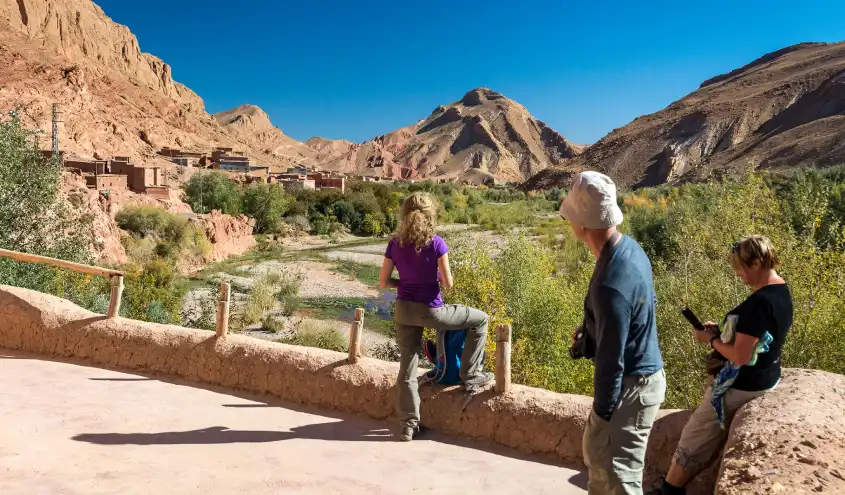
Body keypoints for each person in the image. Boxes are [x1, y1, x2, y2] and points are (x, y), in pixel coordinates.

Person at [648, 235, 793, 495]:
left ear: (757, 262)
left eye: (741, 267)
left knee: (694, 434)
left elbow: (741, 357)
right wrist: (725, 333)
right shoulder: (781, 291)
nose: (738, 274)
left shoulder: (759, 303)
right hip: (767, 376)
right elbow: (759, 340)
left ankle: (669, 490)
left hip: (743, 384)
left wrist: (712, 340)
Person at [561, 171, 666, 495]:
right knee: (607, 476)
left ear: (582, 224)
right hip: (641, 379)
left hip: (632, 387)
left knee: (619, 480)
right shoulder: (630, 249)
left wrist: (601, 415)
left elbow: (611, 362)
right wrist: (595, 328)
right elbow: (642, 306)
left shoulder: (610, 283)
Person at [379, 192, 493, 442]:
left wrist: (405, 283)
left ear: (404, 214)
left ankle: (408, 426)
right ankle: (471, 375)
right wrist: (433, 278)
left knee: (407, 368)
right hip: (432, 311)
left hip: (404, 311)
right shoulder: (437, 243)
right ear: (431, 215)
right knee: (480, 320)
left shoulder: (394, 243)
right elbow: (449, 283)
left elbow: (384, 281)